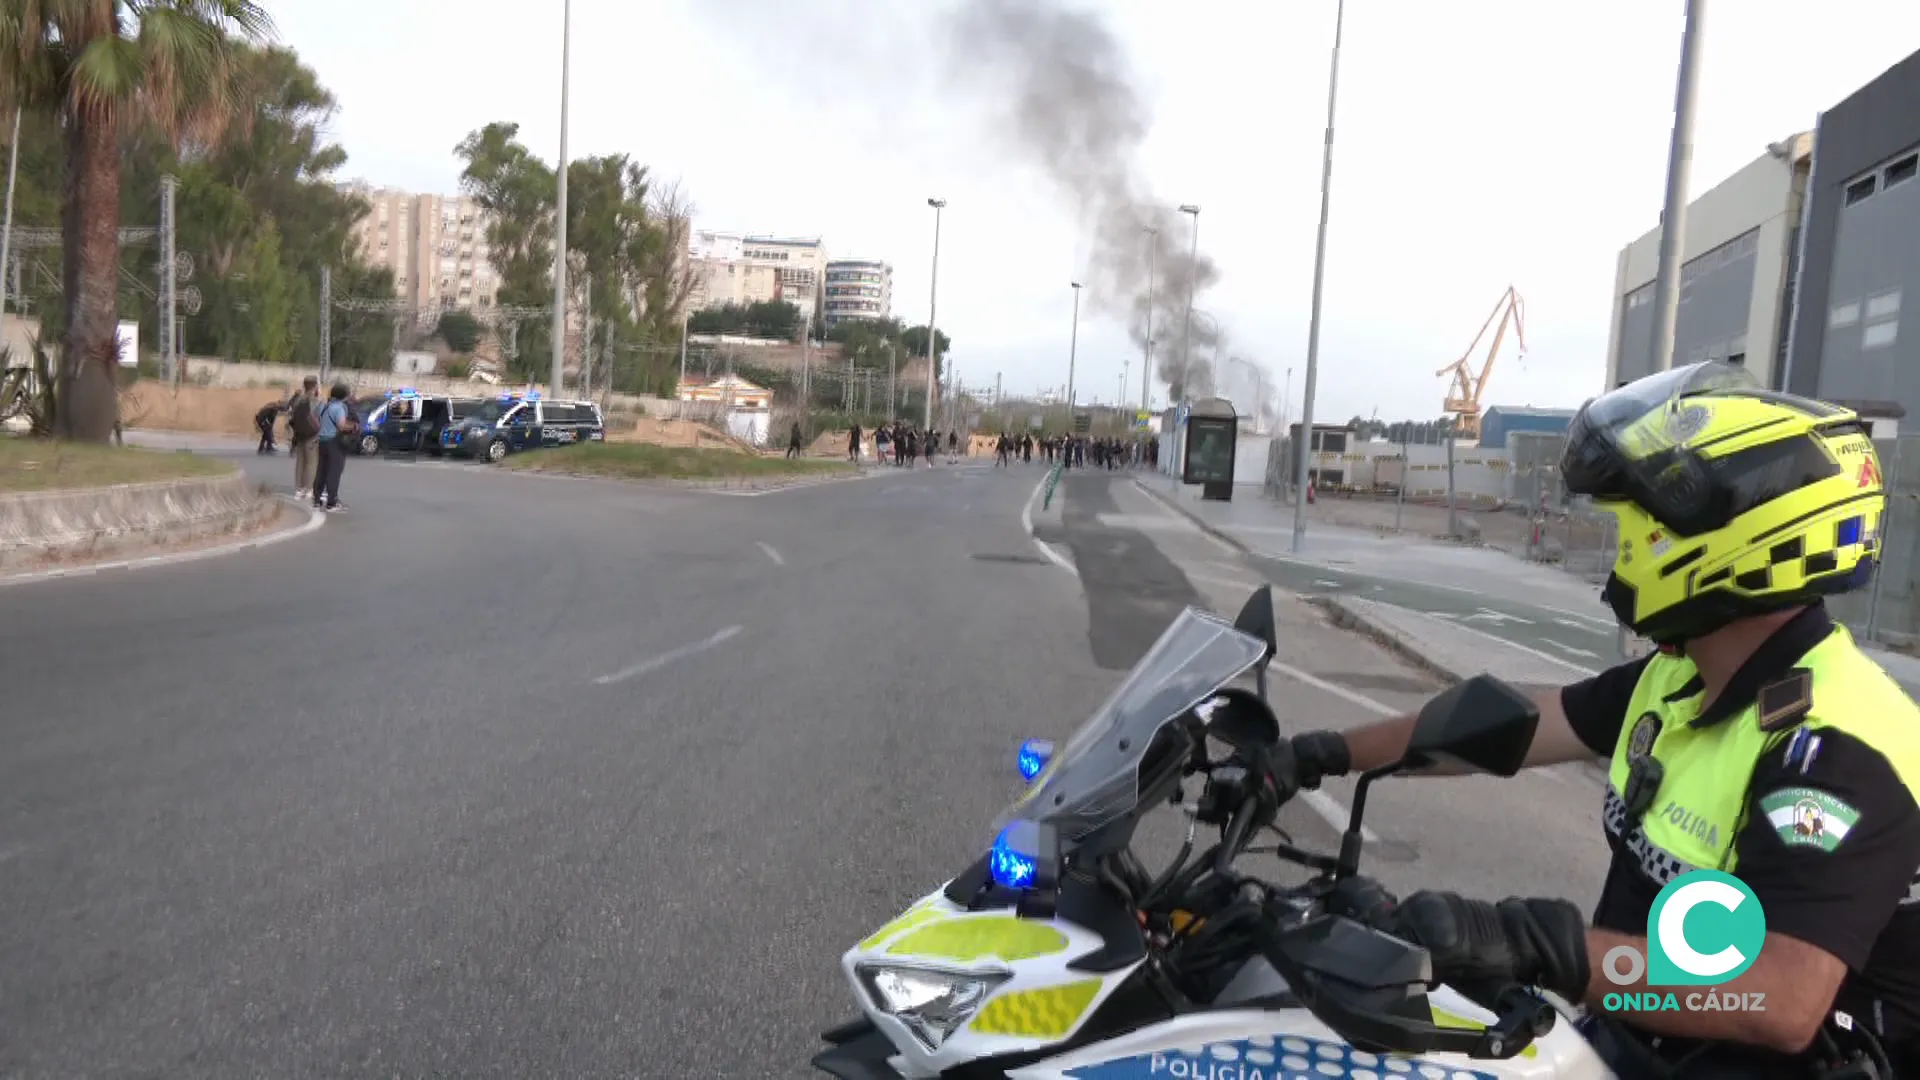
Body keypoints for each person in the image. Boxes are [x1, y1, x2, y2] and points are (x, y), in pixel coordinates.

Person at [1270, 362, 1919, 1078]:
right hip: (1628, 1046)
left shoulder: (1841, 746)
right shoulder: (1682, 676)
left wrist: (1538, 945)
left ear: (1738, 537)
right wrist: (1317, 754)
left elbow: (1783, 995)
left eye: (1638, 529)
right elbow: (1504, 729)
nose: (1622, 552)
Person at [311, 382, 356, 512]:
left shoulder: (324, 405)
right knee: (334, 472)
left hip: (322, 441)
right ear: (344, 395)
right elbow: (341, 425)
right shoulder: (339, 408)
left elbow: (313, 417)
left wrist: (319, 429)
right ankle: (331, 502)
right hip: (334, 442)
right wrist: (352, 427)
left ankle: (317, 498)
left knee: (321, 470)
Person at [286, 376, 320, 501]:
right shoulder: (315, 401)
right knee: (311, 463)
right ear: (315, 386)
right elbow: (317, 417)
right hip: (312, 435)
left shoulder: (297, 400)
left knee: (300, 462)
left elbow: (291, 416)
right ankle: (308, 489)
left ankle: (298, 489)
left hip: (299, 434)